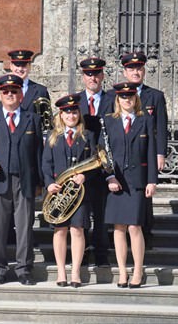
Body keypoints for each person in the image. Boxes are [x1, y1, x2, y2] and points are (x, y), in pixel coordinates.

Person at [0, 74, 43, 286]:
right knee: (0, 227)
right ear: (0, 95)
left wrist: (40, 181)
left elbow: (39, 152)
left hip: (25, 179)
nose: (10, 95)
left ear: (21, 95)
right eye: (6, 92)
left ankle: (24, 269)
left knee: (24, 227)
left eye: (14, 91)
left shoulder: (33, 119)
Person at [102, 82, 157, 288]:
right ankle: (122, 271)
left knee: (135, 226)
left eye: (131, 97)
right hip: (116, 181)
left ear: (136, 99)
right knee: (118, 228)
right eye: (123, 97)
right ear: (118, 100)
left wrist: (152, 180)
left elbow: (151, 151)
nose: (127, 100)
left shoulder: (145, 120)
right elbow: (103, 154)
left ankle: (138, 270)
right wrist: (109, 177)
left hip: (137, 181)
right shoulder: (108, 122)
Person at [42, 93, 97, 288]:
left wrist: (85, 176)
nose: (71, 116)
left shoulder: (88, 136)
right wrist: (49, 183)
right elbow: (45, 164)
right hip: (58, 193)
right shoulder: (52, 137)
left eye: (74, 112)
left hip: (79, 192)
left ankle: (75, 272)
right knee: (59, 230)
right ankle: (60, 271)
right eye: (67, 113)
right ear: (61, 115)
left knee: (77, 230)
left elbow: (95, 164)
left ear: (78, 114)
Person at [120, 52, 168, 246]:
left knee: (145, 195)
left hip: (146, 153)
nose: (136, 72)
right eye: (131, 69)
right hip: (124, 154)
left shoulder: (154, 96)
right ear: (124, 72)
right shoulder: (117, 95)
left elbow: (162, 127)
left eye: (139, 68)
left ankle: (146, 233)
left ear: (144, 71)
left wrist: (160, 153)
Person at [78, 57, 114, 267]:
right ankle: (81, 254)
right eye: (88, 74)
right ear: (83, 77)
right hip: (82, 166)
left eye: (96, 74)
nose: (93, 78)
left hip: (104, 166)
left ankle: (101, 254)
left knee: (101, 213)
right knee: (81, 213)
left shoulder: (113, 99)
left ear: (102, 76)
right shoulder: (76, 102)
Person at [0, 50, 50, 115]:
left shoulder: (41, 91)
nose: (20, 69)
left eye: (24, 65)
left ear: (29, 66)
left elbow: (46, 120)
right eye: (17, 65)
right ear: (11, 66)